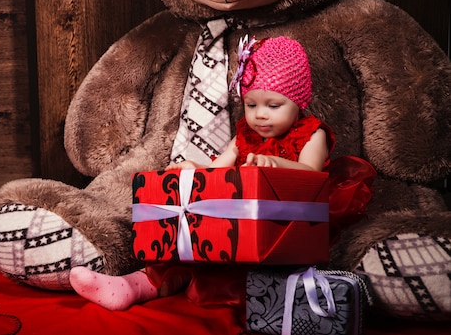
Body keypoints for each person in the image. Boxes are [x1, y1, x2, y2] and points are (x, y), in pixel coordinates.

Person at [68, 36, 349, 311]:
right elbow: (219, 169)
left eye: (273, 106)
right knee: (181, 250)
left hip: (286, 226)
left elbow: (312, 174)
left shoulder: (312, 134)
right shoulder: (245, 135)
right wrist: (195, 167)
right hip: (239, 223)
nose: (260, 115)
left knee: (240, 267)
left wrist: (278, 165)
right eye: (251, 105)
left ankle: (259, 300)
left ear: (298, 101)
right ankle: (130, 287)